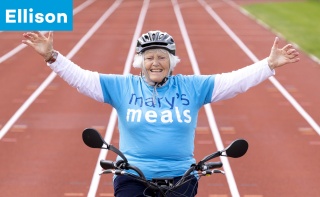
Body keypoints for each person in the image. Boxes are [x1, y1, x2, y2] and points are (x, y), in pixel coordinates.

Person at [22, 30, 299, 197]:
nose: (156, 62)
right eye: (150, 56)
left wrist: (269, 64)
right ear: (140, 62)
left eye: (162, 56)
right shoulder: (122, 86)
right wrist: (52, 57)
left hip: (182, 178)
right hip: (132, 178)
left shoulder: (192, 87)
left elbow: (234, 81)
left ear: (172, 61)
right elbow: (81, 78)